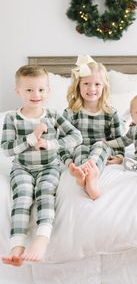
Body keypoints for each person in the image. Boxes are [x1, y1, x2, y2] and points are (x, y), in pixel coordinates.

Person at [1, 65, 82, 266]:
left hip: (49, 167)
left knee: (45, 192)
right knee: (23, 195)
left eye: (41, 89)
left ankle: (41, 239)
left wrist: (49, 144)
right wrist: (31, 138)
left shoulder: (53, 115)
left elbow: (76, 136)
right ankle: (17, 247)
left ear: (48, 91)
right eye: (29, 90)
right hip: (22, 168)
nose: (36, 94)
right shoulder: (11, 117)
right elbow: (7, 149)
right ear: (18, 91)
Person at [62, 55, 124, 200]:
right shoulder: (71, 113)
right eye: (86, 84)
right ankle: (83, 173)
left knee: (100, 146)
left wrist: (120, 157)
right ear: (78, 86)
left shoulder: (110, 113)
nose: (92, 88)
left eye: (97, 84)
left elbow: (117, 141)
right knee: (79, 148)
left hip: (102, 147)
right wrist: (68, 162)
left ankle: (90, 175)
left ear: (104, 87)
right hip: (79, 147)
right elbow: (63, 143)